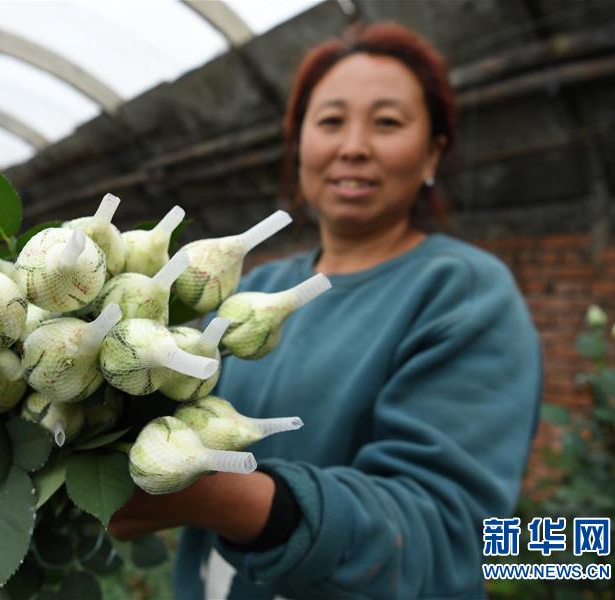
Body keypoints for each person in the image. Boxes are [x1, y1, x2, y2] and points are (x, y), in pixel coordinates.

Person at [109, 22, 542, 599]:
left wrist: (230, 500)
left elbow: (450, 532)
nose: (353, 145)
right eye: (331, 121)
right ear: (301, 144)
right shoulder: (258, 287)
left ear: (434, 151)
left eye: (387, 123)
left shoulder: (463, 292)